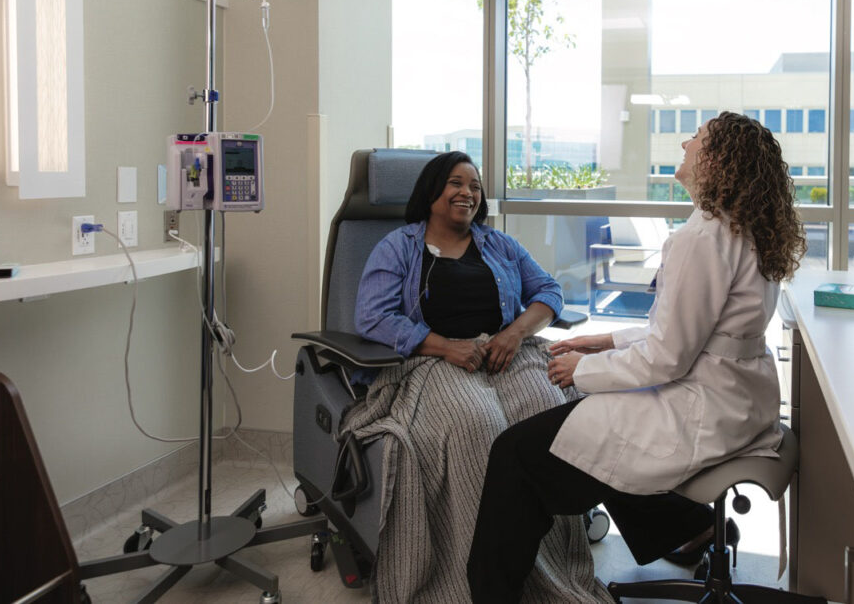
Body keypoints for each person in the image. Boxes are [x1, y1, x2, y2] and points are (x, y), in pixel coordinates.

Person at [466, 111, 808, 603]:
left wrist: (583, 370)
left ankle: (492, 596)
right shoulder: (746, 228)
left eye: (698, 139)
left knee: (516, 453)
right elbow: (688, 334)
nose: (686, 143)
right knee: (597, 437)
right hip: (739, 401)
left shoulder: (701, 237)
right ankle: (689, 529)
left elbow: (667, 358)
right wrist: (603, 343)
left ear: (717, 160)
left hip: (704, 410)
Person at [341, 151, 610, 603]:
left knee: (548, 416)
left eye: (475, 186)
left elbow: (549, 291)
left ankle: (550, 570)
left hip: (508, 354)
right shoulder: (399, 246)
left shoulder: (499, 244)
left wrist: (514, 332)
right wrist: (445, 345)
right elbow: (372, 315)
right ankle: (472, 581)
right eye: (455, 183)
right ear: (431, 192)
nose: (467, 192)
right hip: (435, 361)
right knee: (476, 426)